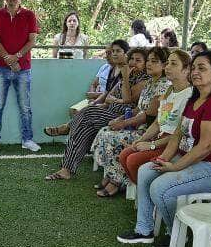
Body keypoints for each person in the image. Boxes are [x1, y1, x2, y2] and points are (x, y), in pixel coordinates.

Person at [117, 50, 211, 247]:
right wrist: (163, 159)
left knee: (160, 188)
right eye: (194, 68)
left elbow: (207, 146)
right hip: (191, 160)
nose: (195, 72)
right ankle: (144, 230)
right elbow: (178, 134)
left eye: (202, 68)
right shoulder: (194, 99)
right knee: (146, 170)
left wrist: (175, 167)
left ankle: (176, 233)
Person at [44, 43, 148, 180]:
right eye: (132, 59)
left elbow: (128, 99)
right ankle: (66, 169)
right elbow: (110, 95)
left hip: (122, 116)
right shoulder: (126, 75)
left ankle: (67, 128)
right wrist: (113, 99)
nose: (133, 63)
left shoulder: (144, 80)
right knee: (83, 127)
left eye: (138, 60)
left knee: (88, 112)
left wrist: (124, 83)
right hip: (110, 110)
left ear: (145, 64)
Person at [92, 46, 172, 197]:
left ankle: (118, 181)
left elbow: (149, 115)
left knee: (114, 137)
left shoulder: (164, 86)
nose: (149, 64)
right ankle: (110, 175)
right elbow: (138, 109)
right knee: (105, 132)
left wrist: (123, 124)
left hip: (149, 132)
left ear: (164, 65)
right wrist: (120, 119)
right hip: (137, 126)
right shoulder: (150, 83)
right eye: (148, 60)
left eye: (154, 61)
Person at [118, 49, 194, 191]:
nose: (167, 67)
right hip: (161, 139)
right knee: (124, 155)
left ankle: (147, 194)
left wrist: (151, 145)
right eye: (167, 63)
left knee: (133, 160)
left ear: (186, 70)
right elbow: (158, 122)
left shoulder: (189, 95)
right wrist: (142, 139)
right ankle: (144, 193)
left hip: (174, 144)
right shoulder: (169, 91)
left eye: (173, 64)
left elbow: (179, 134)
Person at [0, 0, 40, 153]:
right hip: (0, 68)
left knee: (25, 106)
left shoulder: (29, 15)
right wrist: (8, 59)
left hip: (23, 68)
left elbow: (32, 41)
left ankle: (27, 139)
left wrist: (16, 57)